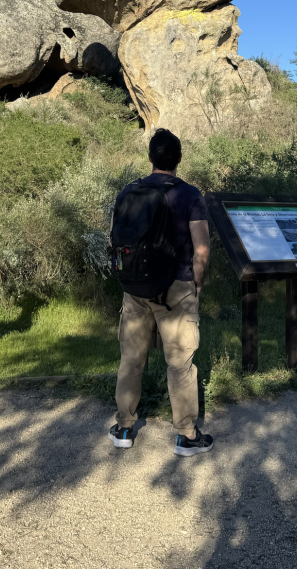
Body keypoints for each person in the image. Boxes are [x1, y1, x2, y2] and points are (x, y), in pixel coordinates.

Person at [107, 128, 213, 457]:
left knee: (131, 359)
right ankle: (186, 436)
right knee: (180, 364)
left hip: (135, 287)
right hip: (176, 288)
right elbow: (202, 251)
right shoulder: (190, 195)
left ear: (151, 158)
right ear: (178, 159)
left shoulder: (129, 191)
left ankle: (124, 427)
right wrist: (197, 283)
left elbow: (113, 241)